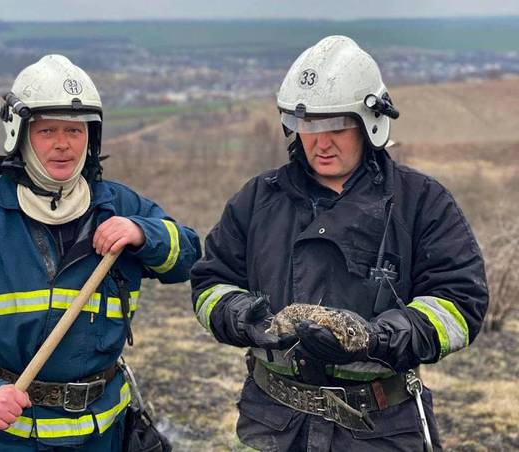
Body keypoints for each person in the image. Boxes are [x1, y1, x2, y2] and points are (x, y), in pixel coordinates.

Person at [190, 36, 488, 451]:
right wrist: (245, 317)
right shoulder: (259, 199)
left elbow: (458, 305)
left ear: (370, 124)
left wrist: (375, 338)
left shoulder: (420, 201)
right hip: (272, 424)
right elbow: (210, 285)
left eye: (336, 126)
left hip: (380, 425)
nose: (320, 142)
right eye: (308, 126)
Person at [0, 54, 200, 451]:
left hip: (104, 434)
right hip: (9, 435)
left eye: (75, 130)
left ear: (91, 137)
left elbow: (187, 257)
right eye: (47, 131)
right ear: (20, 134)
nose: (63, 144)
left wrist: (143, 231)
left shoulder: (120, 206)